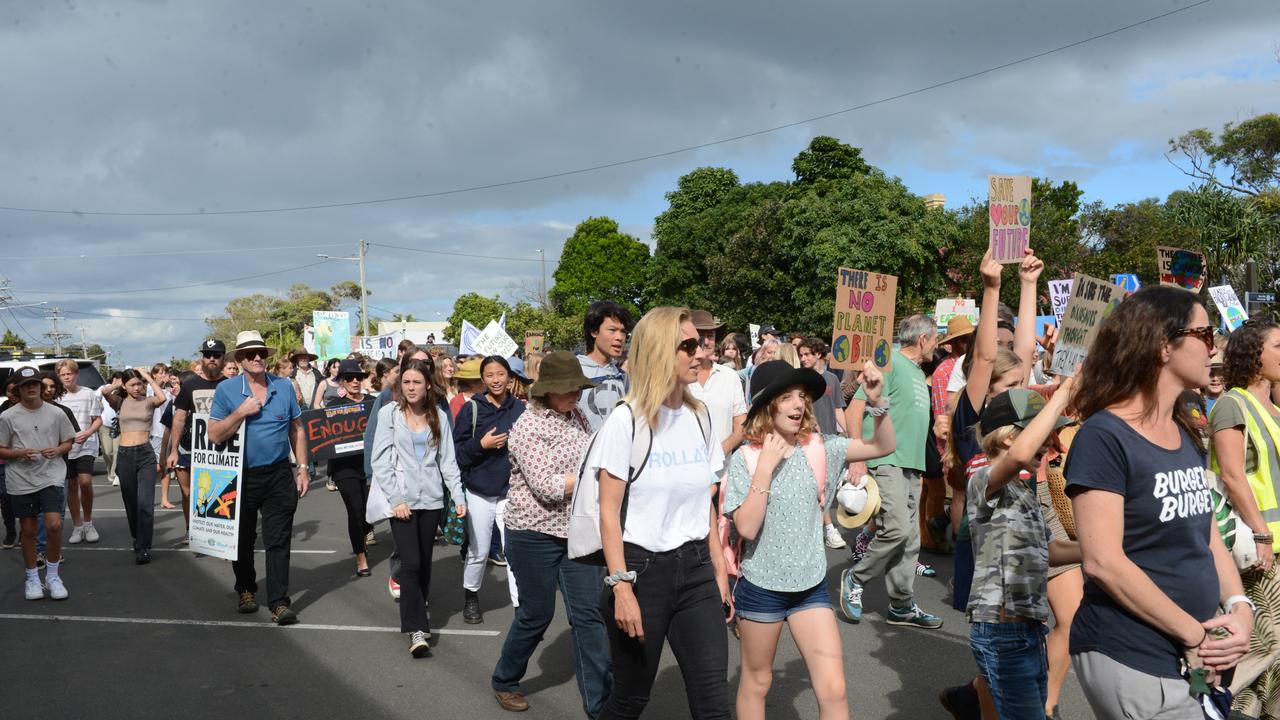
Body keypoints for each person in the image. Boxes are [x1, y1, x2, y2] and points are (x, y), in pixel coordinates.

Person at [1067, 286, 1252, 718]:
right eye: (1205, 334)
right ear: (1164, 345)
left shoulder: (1182, 428)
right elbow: (1103, 562)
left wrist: (1239, 608)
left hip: (1193, 656)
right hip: (1133, 654)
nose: (1215, 347)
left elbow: (1205, 535)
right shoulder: (1104, 436)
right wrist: (1194, 635)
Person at [726, 359, 895, 720]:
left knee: (834, 689)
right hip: (761, 588)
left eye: (801, 396)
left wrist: (878, 402)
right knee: (757, 683)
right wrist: (766, 467)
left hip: (811, 588)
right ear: (767, 405)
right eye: (786, 397)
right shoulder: (745, 458)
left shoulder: (822, 447)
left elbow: (883, 445)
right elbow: (747, 529)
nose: (798, 404)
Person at [587, 306, 732, 719]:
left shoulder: (699, 416)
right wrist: (621, 588)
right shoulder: (626, 421)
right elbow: (608, 514)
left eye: (700, 344)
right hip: (640, 572)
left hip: (696, 571)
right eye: (687, 345)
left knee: (713, 703)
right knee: (631, 699)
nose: (700, 353)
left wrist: (719, 570)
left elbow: (704, 499)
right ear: (658, 351)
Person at [490, 352, 611, 715]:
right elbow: (547, 486)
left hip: (575, 532)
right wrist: (598, 479)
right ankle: (505, 678)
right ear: (548, 390)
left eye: (579, 387)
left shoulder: (577, 415)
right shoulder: (527, 427)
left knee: (589, 614)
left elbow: (592, 455)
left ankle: (600, 703)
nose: (577, 393)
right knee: (536, 614)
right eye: (569, 388)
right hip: (532, 534)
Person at [965, 384, 1081, 719]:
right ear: (1007, 437)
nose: (1049, 442)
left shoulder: (1023, 490)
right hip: (1000, 631)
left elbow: (1052, 550)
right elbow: (1016, 458)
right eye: (1040, 432)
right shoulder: (982, 479)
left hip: (1030, 630)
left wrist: (1100, 548)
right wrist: (1062, 393)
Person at [839, 313, 943, 629]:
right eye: (935, 340)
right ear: (923, 339)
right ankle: (856, 578)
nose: (936, 347)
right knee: (896, 528)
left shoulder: (915, 371)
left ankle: (901, 605)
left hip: (911, 465)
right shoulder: (892, 363)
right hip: (886, 461)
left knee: (910, 539)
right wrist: (857, 457)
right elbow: (855, 408)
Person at [208, 331, 309, 625]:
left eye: (261, 353)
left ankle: (278, 601)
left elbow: (297, 429)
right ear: (239, 359)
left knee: (278, 540)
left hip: (278, 473)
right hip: (240, 475)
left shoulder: (284, 386)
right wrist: (240, 412)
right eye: (250, 354)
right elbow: (214, 434)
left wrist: (302, 467)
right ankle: (246, 590)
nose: (257, 358)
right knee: (242, 539)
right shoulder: (227, 390)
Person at [371, 358, 467, 657]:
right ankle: (417, 628)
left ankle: (416, 606)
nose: (411, 387)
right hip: (402, 502)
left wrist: (459, 496)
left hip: (432, 500)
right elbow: (380, 461)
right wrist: (396, 499)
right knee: (410, 563)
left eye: (416, 382)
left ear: (428, 385)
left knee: (424, 562)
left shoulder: (438, 415)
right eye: (406, 382)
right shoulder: (390, 414)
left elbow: (448, 461)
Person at [1209, 317, 1280, 718]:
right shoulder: (1233, 403)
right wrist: (1262, 534)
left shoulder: (1271, 404)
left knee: (1275, 652)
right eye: (1278, 346)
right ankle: (1212, 702)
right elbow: (1233, 475)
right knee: (1262, 644)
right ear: (1254, 356)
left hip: (1275, 544)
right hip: (1257, 549)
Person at [454, 355, 525, 622]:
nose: (496, 380)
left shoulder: (520, 409)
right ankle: (470, 596)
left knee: (513, 552)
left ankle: (521, 607)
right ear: (482, 380)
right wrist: (480, 445)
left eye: (500, 374)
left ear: (510, 377)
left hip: (510, 492)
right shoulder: (472, 409)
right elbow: (458, 454)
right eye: (490, 375)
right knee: (479, 550)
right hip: (478, 491)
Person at [0, 367, 75, 600]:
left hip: (51, 475)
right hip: (21, 479)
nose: (31, 387)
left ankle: (53, 576)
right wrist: (18, 453)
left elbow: (68, 441)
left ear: (41, 388)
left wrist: (59, 449)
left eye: (34, 383)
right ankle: (32, 578)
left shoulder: (57, 413)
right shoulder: (7, 417)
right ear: (18, 390)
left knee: (54, 525)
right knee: (29, 530)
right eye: (25, 385)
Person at [102, 368, 168, 564]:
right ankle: (136, 538)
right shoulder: (119, 402)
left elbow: (162, 397)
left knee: (146, 504)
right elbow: (105, 392)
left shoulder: (148, 402)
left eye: (139, 384)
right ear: (125, 386)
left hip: (146, 454)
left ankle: (144, 547)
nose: (137, 388)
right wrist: (120, 381)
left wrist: (146, 376)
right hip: (125, 455)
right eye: (132, 384)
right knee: (131, 503)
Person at [167, 340, 226, 534]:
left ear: (223, 359)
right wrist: (173, 450)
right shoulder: (190, 385)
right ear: (202, 358)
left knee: (220, 492)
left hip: (221, 448)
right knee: (188, 492)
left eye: (216, 355)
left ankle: (220, 535)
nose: (211, 358)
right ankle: (190, 529)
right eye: (208, 354)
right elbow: (179, 418)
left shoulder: (230, 385)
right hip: (189, 447)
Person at [797, 336, 850, 550]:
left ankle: (817, 526)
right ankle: (829, 528)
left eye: (807, 354)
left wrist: (847, 433)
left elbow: (838, 408)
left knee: (826, 485)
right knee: (819, 485)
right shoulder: (801, 380)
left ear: (818, 354)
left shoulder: (832, 379)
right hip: (809, 439)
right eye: (801, 355)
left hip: (830, 438)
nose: (803, 359)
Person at [326, 359, 374, 576]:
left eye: (359, 377)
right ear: (342, 381)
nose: (355, 381)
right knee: (354, 510)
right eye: (349, 377)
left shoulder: (373, 402)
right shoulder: (334, 406)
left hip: (371, 466)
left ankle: (365, 533)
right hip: (344, 467)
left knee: (367, 513)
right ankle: (360, 556)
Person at [54, 359, 102, 545]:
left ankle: (88, 523)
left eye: (70, 373)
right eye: (63, 374)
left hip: (87, 445)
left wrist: (88, 432)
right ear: (59, 376)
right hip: (66, 447)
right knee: (71, 486)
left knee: (85, 482)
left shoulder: (88, 393)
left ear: (76, 374)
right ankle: (77, 526)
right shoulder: (56, 397)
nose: (67, 377)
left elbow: (97, 419)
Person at [688, 310, 747, 458]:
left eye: (710, 336)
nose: (706, 342)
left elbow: (741, 423)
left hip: (723, 473)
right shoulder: (677, 378)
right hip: (684, 472)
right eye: (701, 336)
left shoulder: (729, 377)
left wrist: (723, 449)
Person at [577, 300, 634, 431]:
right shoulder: (575, 371)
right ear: (594, 332)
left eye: (623, 331)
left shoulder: (623, 377)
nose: (620, 337)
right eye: (612, 330)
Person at [98, 371, 122, 486]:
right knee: (107, 451)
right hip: (105, 425)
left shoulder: (122, 391)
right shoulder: (103, 388)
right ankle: (110, 470)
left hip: (119, 426)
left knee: (117, 451)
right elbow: (97, 396)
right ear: (114, 379)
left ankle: (116, 474)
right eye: (119, 379)